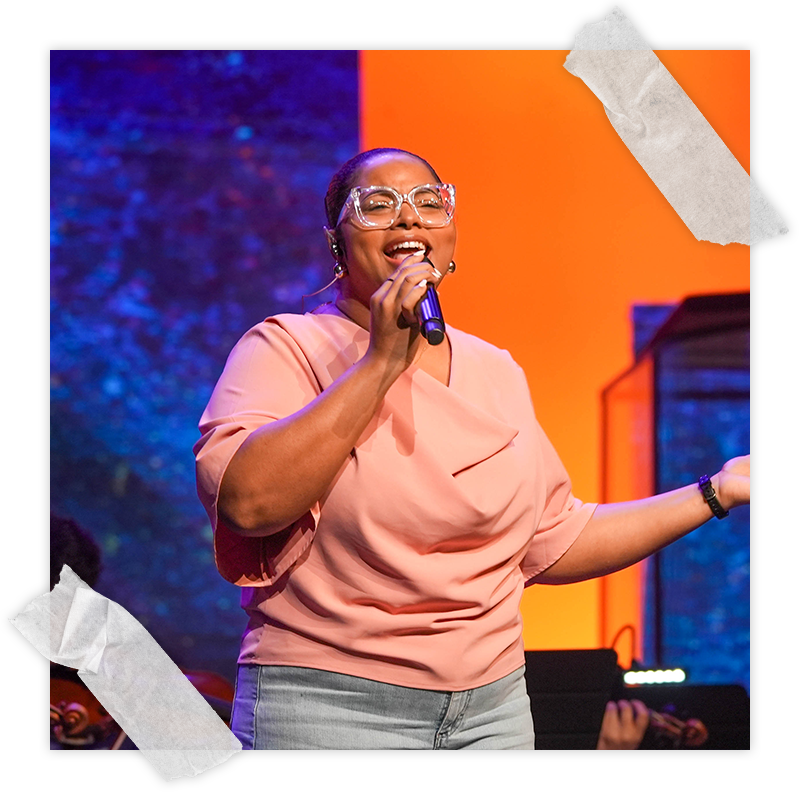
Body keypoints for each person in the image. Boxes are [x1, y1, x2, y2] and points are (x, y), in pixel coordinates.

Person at [193, 147, 750, 750]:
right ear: (337, 242)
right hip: (331, 703)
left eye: (429, 203)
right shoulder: (286, 348)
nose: (408, 219)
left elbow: (552, 540)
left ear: (451, 235)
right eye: (378, 206)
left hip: (493, 707)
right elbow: (248, 506)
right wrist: (381, 361)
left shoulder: (496, 369)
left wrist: (716, 492)